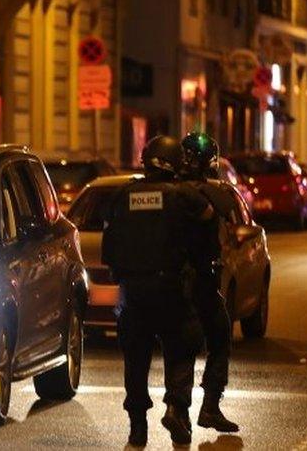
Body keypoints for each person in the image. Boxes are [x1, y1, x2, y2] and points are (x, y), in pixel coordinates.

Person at [102, 135, 213, 447]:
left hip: (133, 292)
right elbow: (207, 232)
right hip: (171, 289)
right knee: (183, 347)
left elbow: (108, 247)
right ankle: (177, 408)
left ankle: (137, 426)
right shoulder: (185, 196)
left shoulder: (123, 196)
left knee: (135, 360)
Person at [179, 132, 240, 433]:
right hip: (197, 279)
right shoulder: (202, 194)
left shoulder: (169, 190)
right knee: (218, 335)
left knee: (178, 345)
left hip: (165, 280)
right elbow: (228, 208)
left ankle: (175, 411)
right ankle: (209, 406)